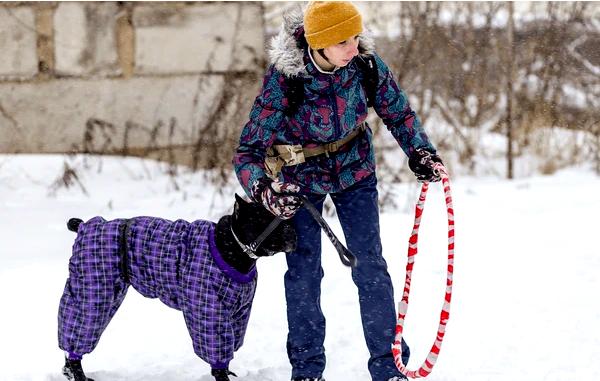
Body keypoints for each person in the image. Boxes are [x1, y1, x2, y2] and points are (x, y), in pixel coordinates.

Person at [233, 2, 445, 381]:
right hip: (299, 180)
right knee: (303, 273)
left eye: (356, 36)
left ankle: (389, 366)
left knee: (370, 266)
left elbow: (398, 113)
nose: (355, 45)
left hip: (355, 170)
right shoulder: (286, 79)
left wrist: (421, 152)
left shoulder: (365, 65)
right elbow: (247, 153)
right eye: (343, 41)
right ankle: (308, 369)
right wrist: (266, 190)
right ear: (319, 44)